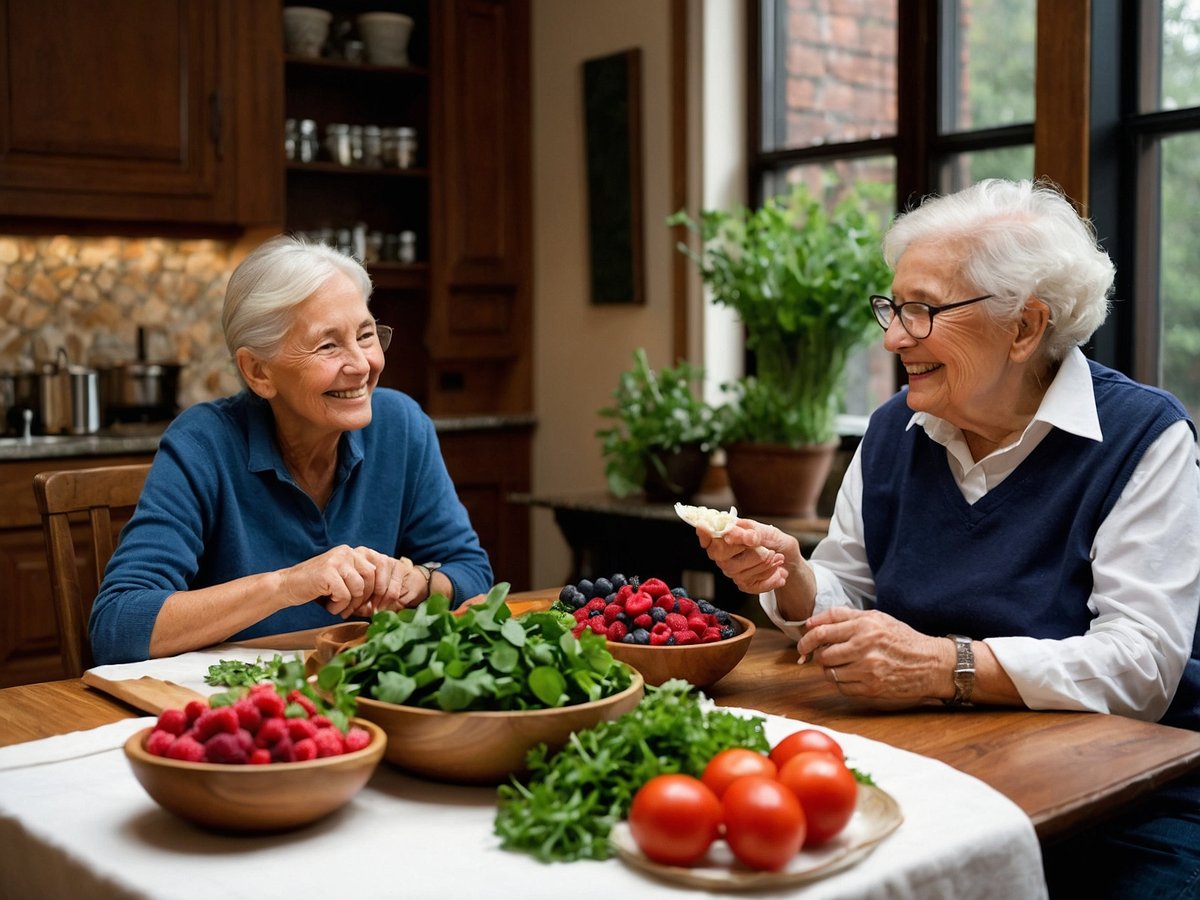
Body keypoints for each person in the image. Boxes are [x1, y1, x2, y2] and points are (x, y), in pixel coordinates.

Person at [693, 179, 1200, 898]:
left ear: (1024, 328)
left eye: (923, 311)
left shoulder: (1146, 439)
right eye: (893, 308)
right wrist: (794, 577)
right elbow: (848, 591)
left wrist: (944, 666)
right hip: (940, 772)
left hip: (1130, 803)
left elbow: (1140, 668)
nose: (894, 336)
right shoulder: (892, 430)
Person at [90, 235, 493, 664]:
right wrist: (286, 585)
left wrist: (419, 581)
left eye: (366, 335)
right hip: (235, 708)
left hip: (361, 695)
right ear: (258, 371)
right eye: (328, 345)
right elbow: (118, 625)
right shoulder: (203, 442)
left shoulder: (401, 424)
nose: (361, 365)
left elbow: (472, 572)